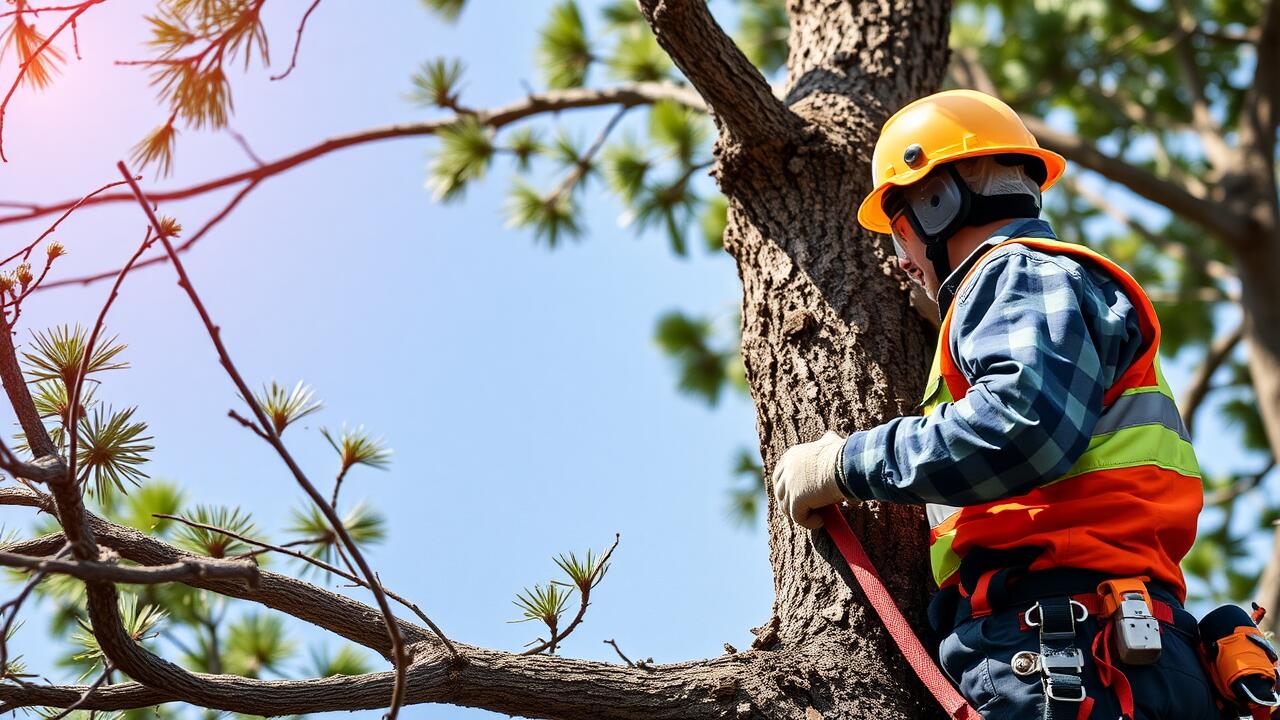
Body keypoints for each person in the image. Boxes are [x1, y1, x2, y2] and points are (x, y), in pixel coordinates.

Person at [770, 89, 1219, 719]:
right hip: (1125, 646)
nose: (900, 259)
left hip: (1060, 651)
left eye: (901, 229)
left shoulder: (1017, 275)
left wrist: (845, 463)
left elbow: (1018, 427)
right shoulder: (1046, 289)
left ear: (937, 203)